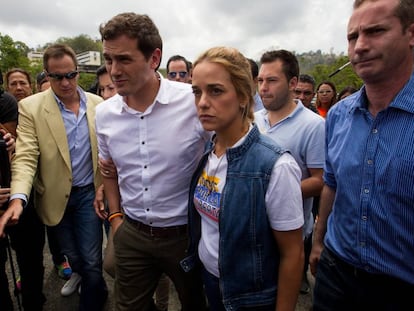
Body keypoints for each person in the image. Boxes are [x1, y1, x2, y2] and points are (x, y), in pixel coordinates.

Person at [96, 12, 208, 311]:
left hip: (186, 236)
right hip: (132, 232)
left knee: (197, 303)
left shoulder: (193, 103)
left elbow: (224, 158)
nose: (114, 70)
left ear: (154, 57)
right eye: (109, 59)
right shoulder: (104, 114)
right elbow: (107, 170)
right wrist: (116, 217)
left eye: (124, 59)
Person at [309, 0, 414, 309]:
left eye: (376, 31)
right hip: (334, 272)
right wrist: (318, 241)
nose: (360, 47)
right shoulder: (339, 116)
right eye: (353, 37)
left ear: (410, 34)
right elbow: (331, 183)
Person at [182, 46, 304, 311]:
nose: (202, 102)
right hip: (210, 282)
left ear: (242, 95)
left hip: (250, 298)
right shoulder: (208, 151)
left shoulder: (275, 166)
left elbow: (292, 254)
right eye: (197, 91)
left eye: (215, 90)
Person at [0, 43, 107, 311]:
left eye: (70, 75)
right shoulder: (30, 107)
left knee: (92, 260)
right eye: (57, 76)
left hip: (88, 196)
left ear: (78, 72)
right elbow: (25, 157)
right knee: (75, 259)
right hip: (55, 198)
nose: (65, 82)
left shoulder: (99, 105)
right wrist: (18, 198)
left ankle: (92, 301)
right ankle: (97, 286)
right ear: (46, 75)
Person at [254, 50, 325, 296]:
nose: (263, 87)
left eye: (272, 80)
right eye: (261, 80)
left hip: (287, 235)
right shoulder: (253, 121)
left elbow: (321, 180)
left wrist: (278, 192)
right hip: (252, 229)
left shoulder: (313, 125)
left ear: (292, 83)